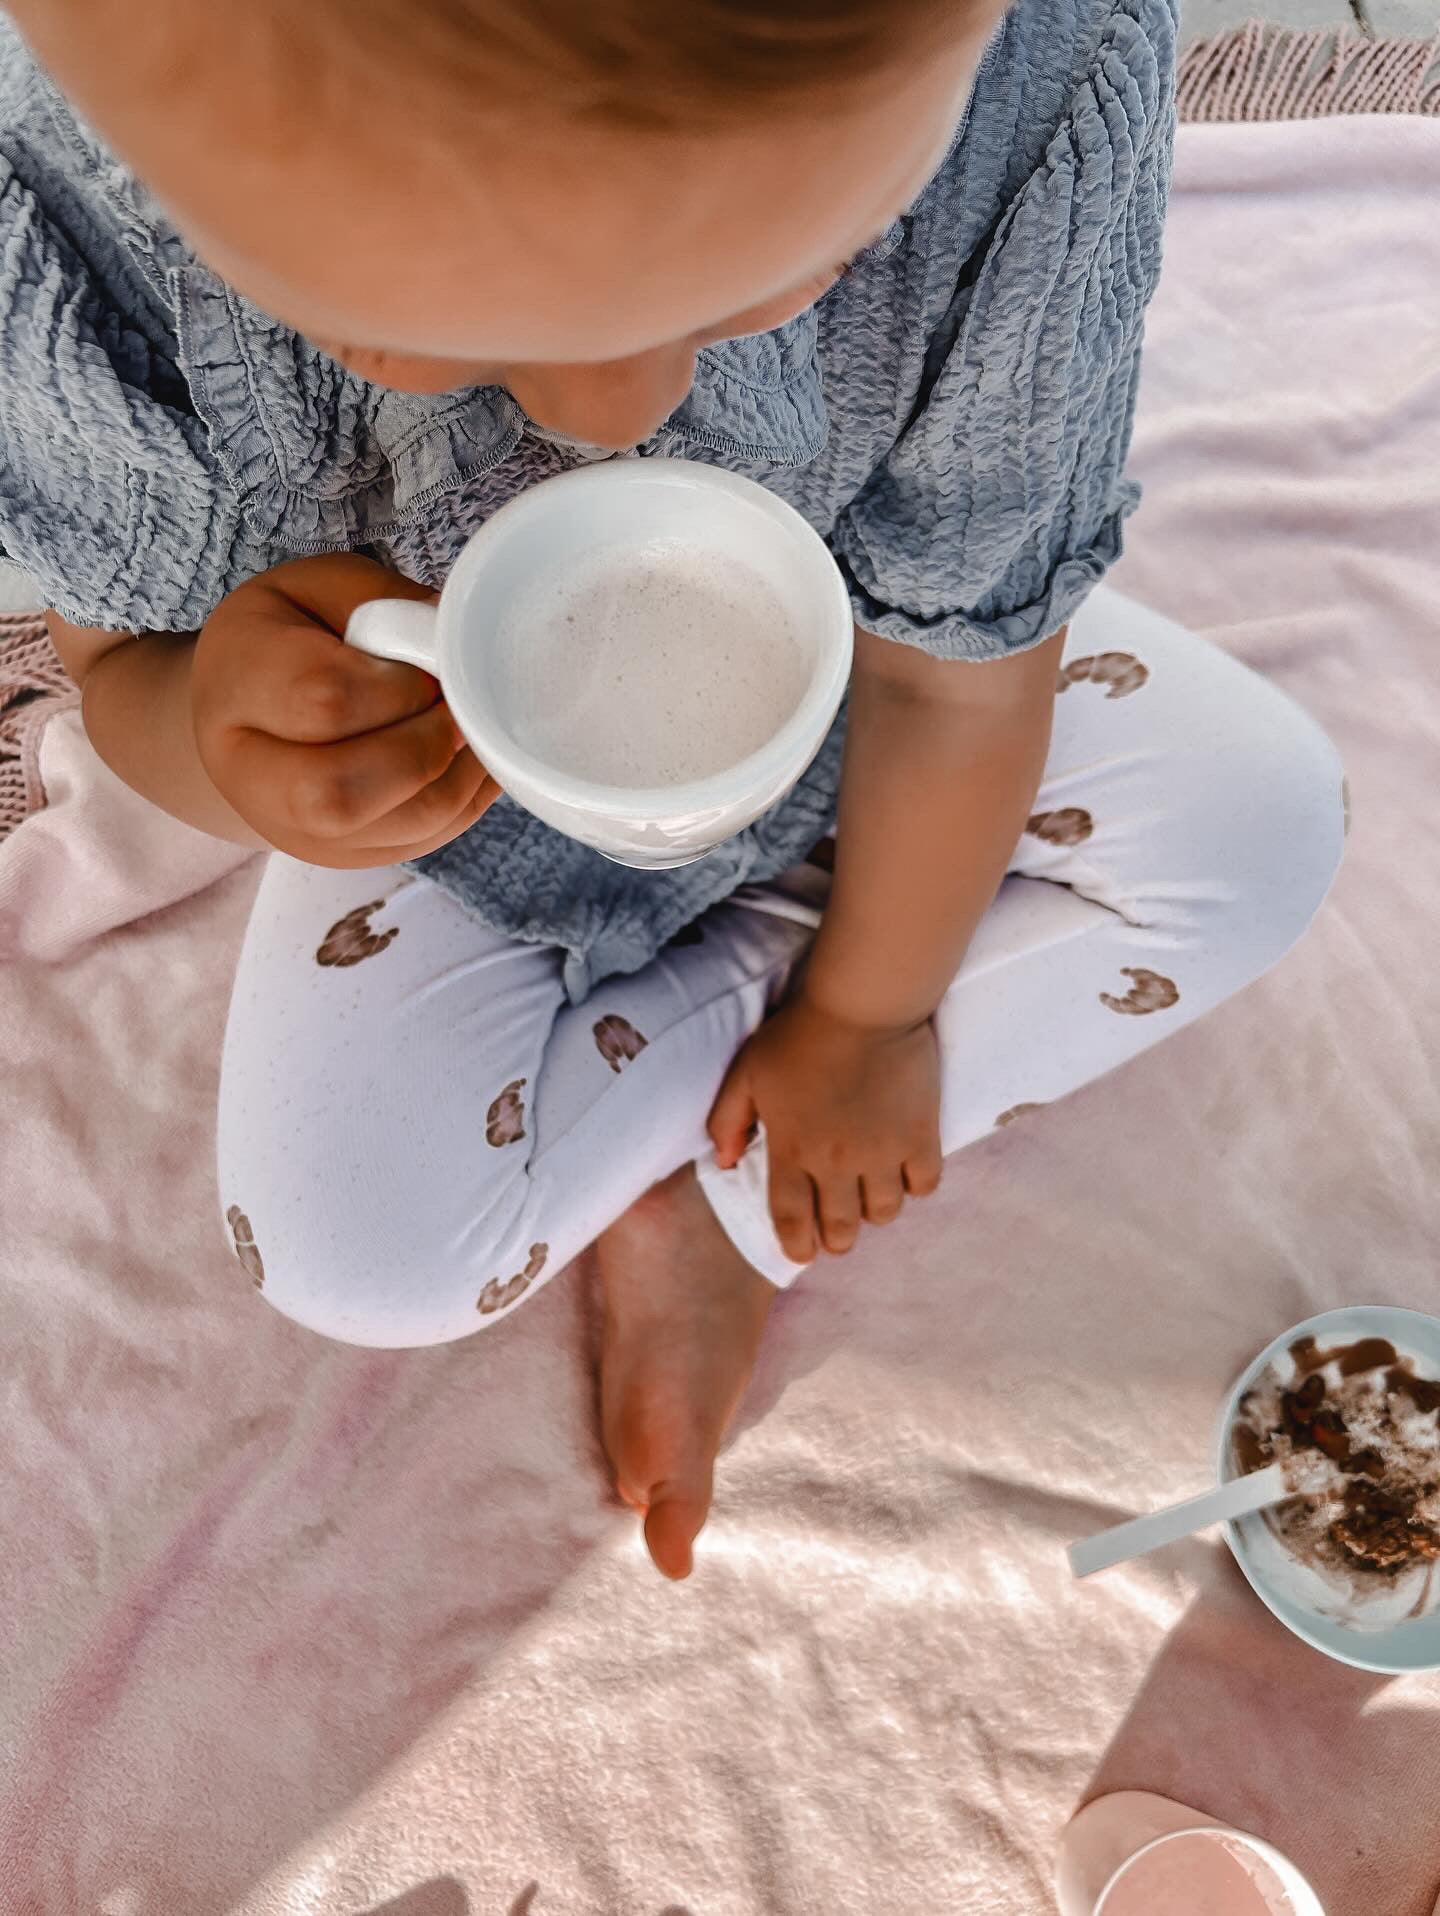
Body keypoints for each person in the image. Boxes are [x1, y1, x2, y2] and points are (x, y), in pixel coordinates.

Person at [0, 0, 1343, 1579]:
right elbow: (118, 663)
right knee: (351, 1250)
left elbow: (956, 680)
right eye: (435, 332)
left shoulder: (1038, 78)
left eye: (787, 274)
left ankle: (723, 1205)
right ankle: (741, 1072)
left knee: (1264, 829)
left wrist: (868, 1023)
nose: (617, 419)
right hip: (455, 819)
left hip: (881, 677)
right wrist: (222, 734)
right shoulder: (56, 203)